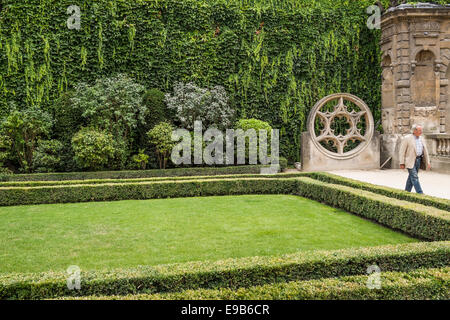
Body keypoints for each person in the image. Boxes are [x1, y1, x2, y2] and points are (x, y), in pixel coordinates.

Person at [399, 124, 431, 194]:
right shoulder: (407, 138)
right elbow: (402, 151)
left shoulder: (422, 138)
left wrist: (428, 162)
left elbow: (425, 151)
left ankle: (406, 192)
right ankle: (420, 193)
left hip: (418, 160)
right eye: (419, 130)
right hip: (410, 161)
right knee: (414, 177)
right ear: (414, 131)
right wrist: (402, 163)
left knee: (411, 178)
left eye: (421, 130)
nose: (421, 132)